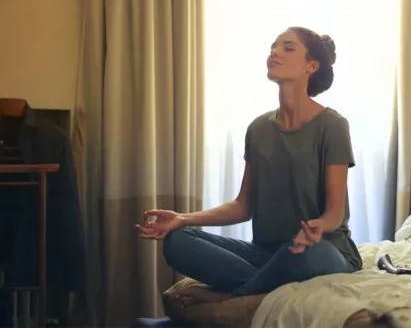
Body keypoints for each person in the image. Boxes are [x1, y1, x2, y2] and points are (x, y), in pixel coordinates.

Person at [135, 26, 363, 305]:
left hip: (321, 250)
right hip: (266, 254)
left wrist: (319, 225)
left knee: (306, 252)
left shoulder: (333, 125)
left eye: (287, 48)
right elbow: (243, 206)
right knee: (178, 241)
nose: (274, 53)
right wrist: (183, 218)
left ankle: (232, 297)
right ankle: (263, 285)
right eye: (273, 47)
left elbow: (335, 212)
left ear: (311, 66)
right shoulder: (258, 129)